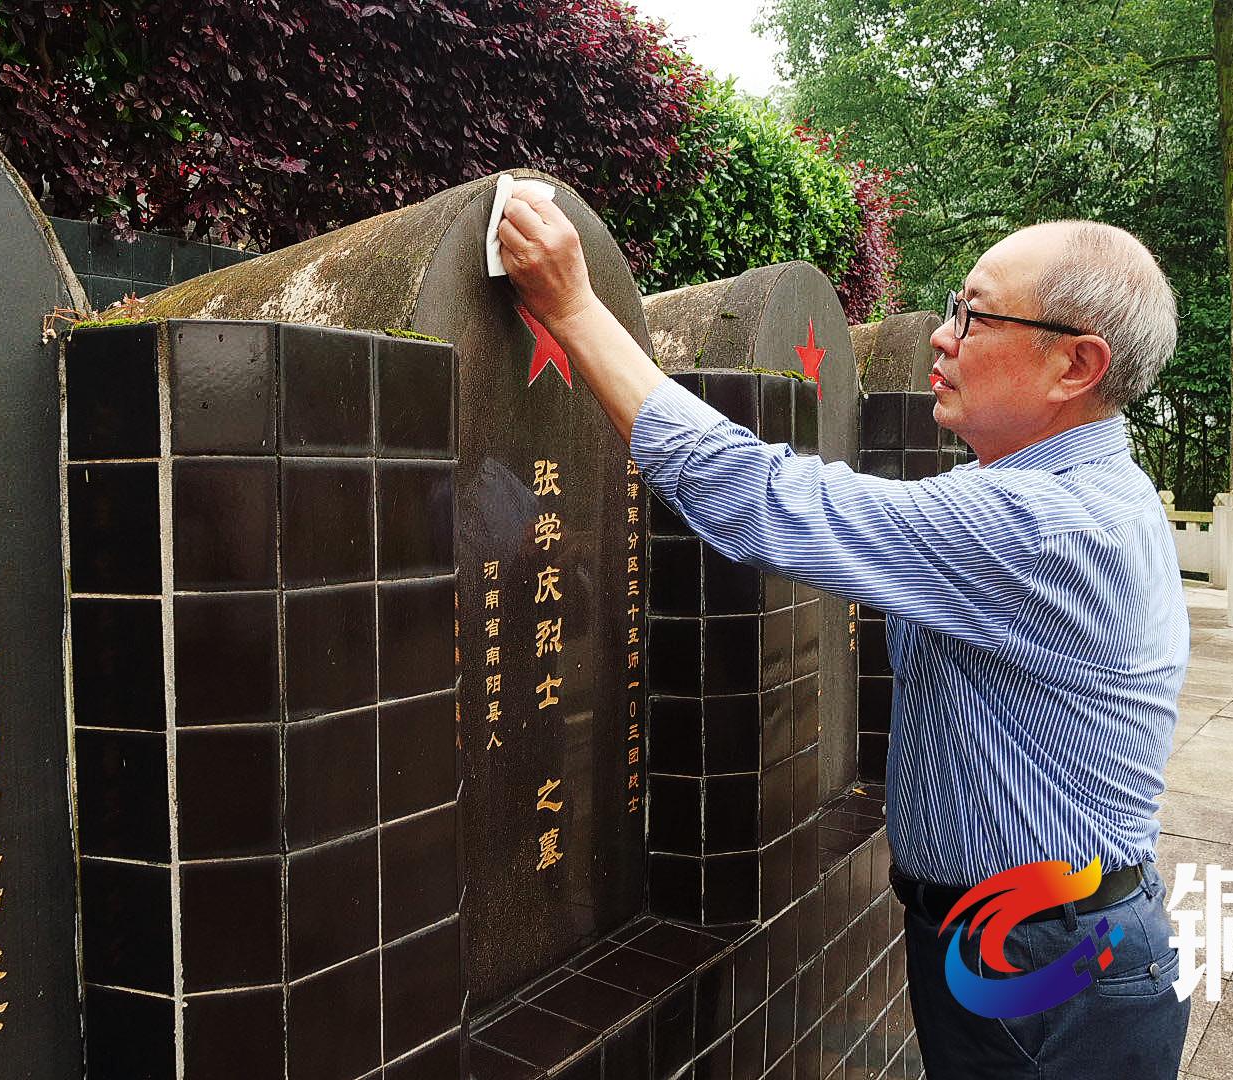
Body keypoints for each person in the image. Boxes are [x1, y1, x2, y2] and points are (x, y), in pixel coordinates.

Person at [497, 190, 1191, 1079]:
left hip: (1048, 966)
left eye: (975, 316)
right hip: (1033, 936)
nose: (944, 336)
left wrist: (573, 309)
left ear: (1075, 366)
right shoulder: (1079, 488)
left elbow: (762, 498)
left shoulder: (1043, 522)